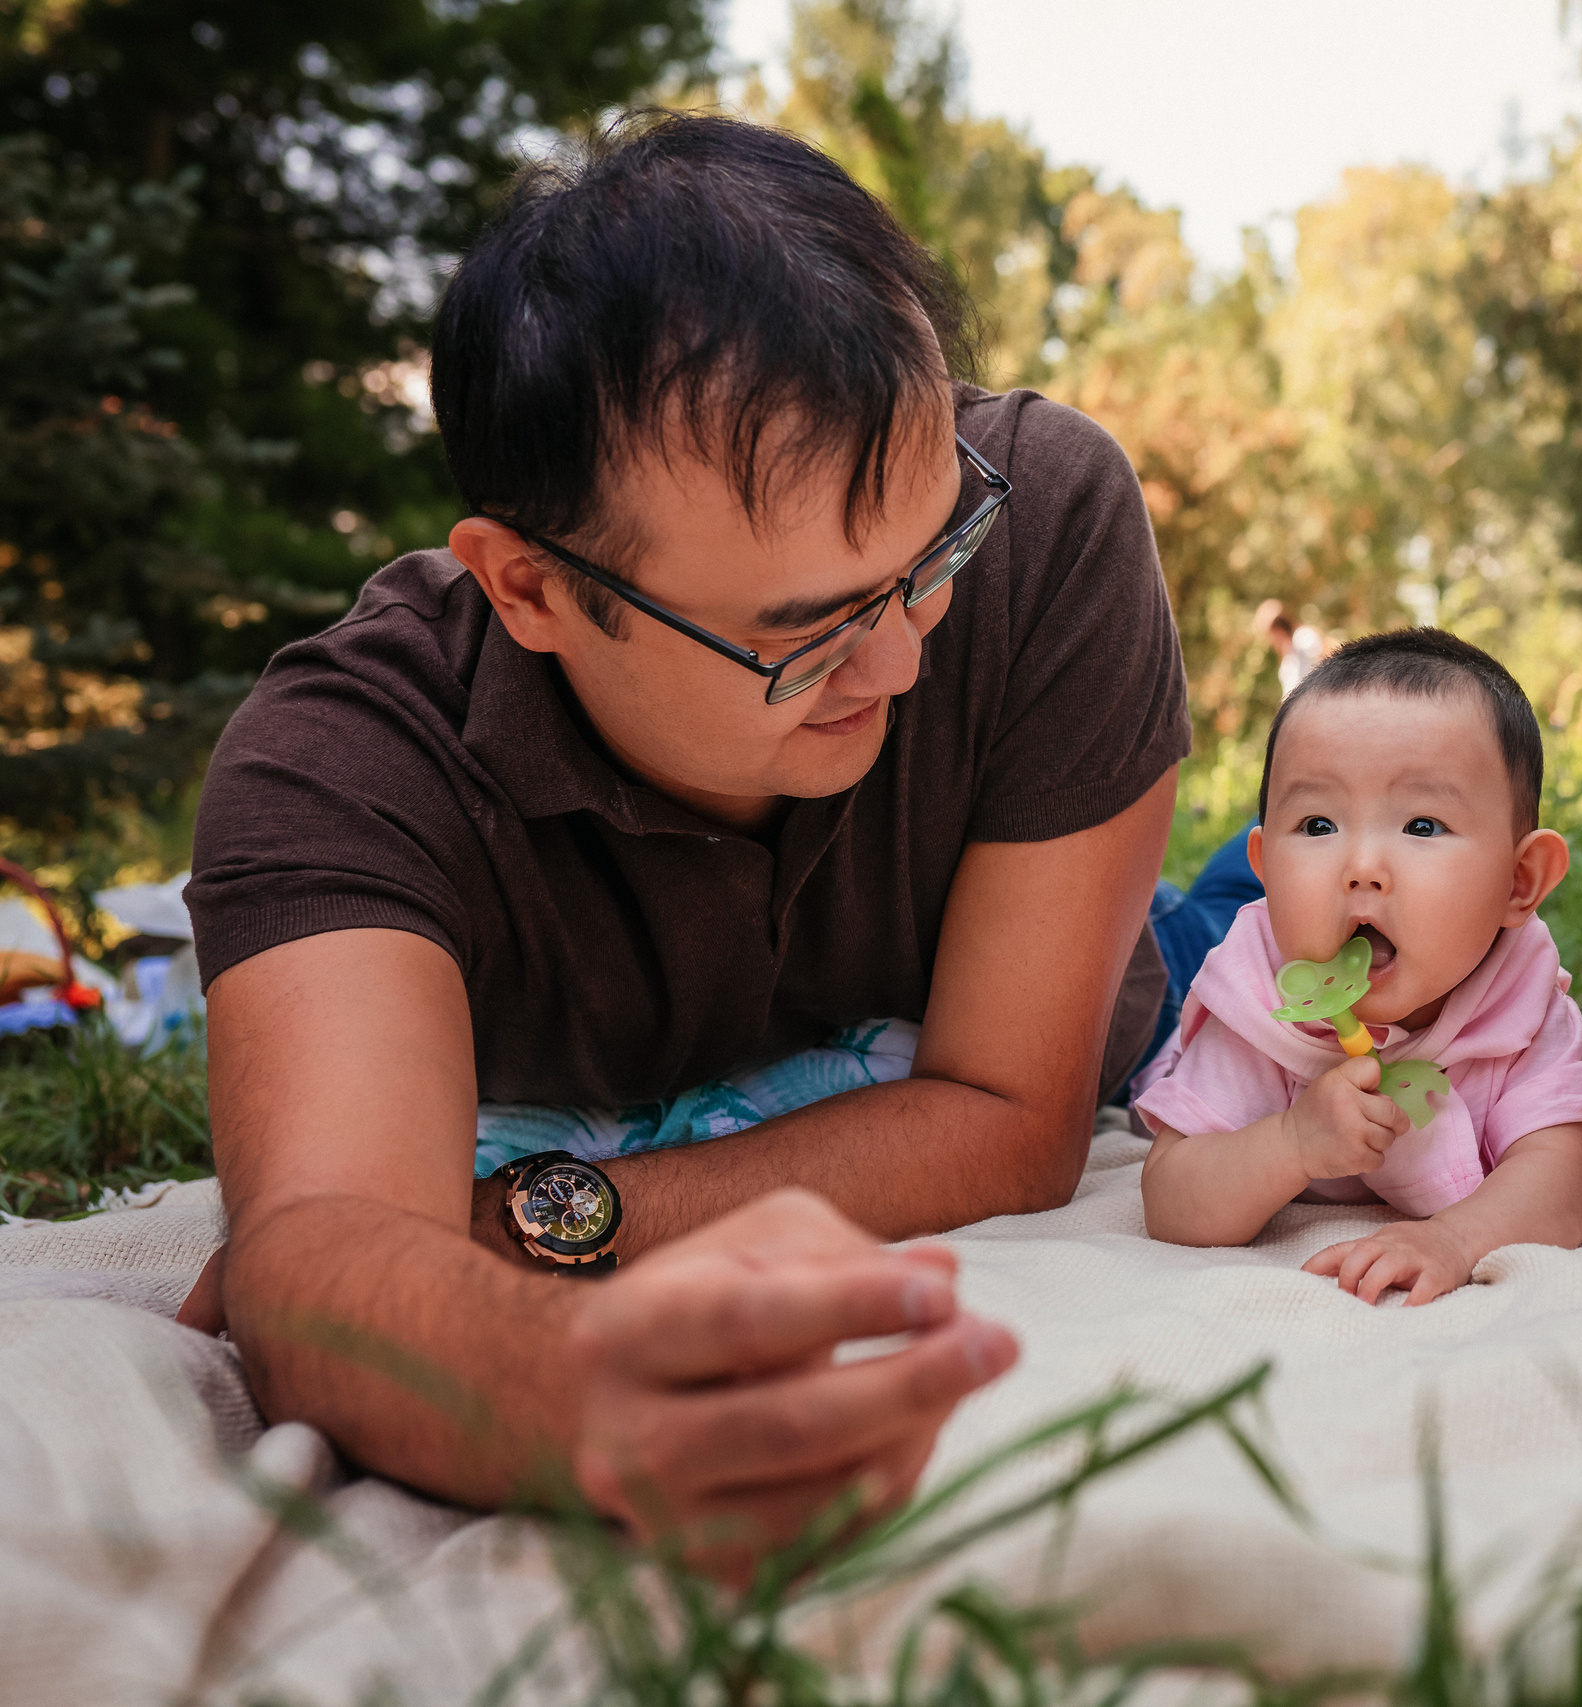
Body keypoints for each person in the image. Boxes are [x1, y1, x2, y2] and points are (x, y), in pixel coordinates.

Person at [179, 115, 1190, 1560]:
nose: (901, 662)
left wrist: (520, 1219)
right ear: (530, 590)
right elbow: (316, 1269)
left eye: (931, 558)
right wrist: (566, 1388)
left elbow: (1012, 1113)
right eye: (806, 633)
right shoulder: (343, 763)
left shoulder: (1049, 513)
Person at [1134, 631, 1582, 1304]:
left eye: (1422, 825)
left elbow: (1559, 1184)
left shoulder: (1521, 1004)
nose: (1363, 866)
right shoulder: (1254, 1002)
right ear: (1269, 871)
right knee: (1173, 925)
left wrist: (1454, 1239)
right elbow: (1170, 1199)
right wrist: (1291, 1142)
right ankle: (1244, 865)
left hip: (1298, 898)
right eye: (1319, 825)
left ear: (1519, 882)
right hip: (1201, 968)